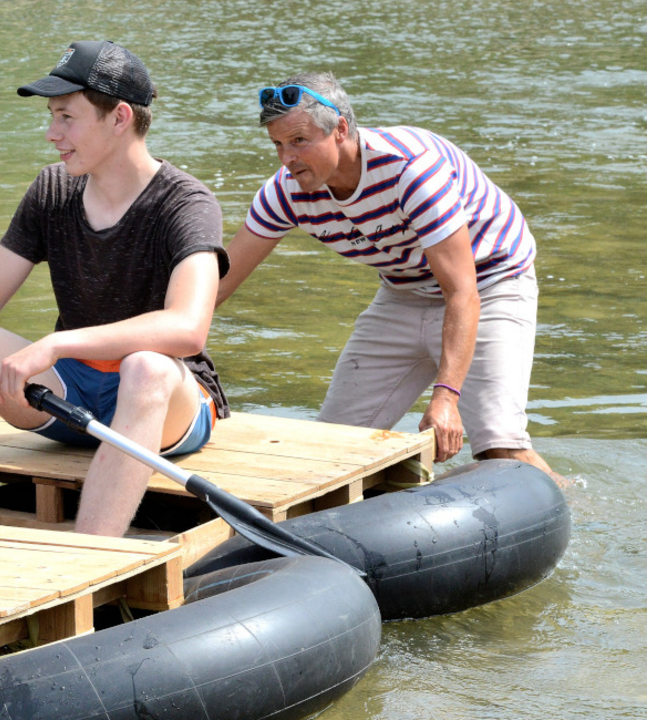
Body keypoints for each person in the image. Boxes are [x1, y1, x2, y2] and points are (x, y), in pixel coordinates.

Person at [0, 41, 230, 538]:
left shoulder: (188, 202)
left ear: (119, 118)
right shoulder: (52, 189)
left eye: (66, 118)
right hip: (67, 393)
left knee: (145, 366)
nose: (52, 134)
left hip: (165, 403)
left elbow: (188, 329)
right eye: (52, 117)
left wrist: (56, 343)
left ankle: (88, 561)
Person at [216, 72, 560, 480]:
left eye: (299, 141)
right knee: (330, 449)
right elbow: (219, 282)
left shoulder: (410, 170)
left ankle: (578, 512)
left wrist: (447, 397)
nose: (286, 158)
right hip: (403, 291)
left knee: (499, 447)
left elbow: (462, 292)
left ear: (341, 129)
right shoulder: (286, 193)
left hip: (490, 280)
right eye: (278, 144)